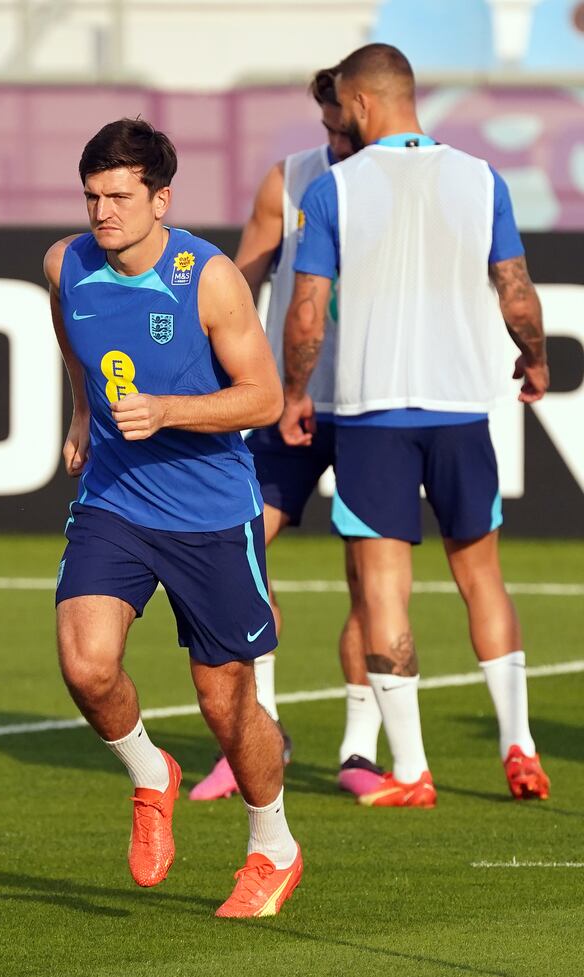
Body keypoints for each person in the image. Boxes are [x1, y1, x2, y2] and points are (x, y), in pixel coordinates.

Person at [280, 44, 551, 807]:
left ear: (361, 103)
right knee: (482, 577)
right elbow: (517, 292)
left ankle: (410, 768)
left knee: (383, 589)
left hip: (373, 411)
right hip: (462, 405)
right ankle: (519, 745)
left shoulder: (336, 188)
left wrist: (297, 391)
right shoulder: (480, 177)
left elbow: (306, 313)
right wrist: (533, 359)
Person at [44, 118, 303, 915]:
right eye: (92, 196)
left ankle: (272, 844)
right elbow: (72, 337)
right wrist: (86, 413)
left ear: (162, 198)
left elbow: (264, 397)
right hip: (116, 502)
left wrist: (169, 409)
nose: (102, 212)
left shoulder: (209, 277)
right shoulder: (65, 264)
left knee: (226, 705)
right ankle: (151, 773)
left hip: (211, 515)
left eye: (119, 196)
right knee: (86, 664)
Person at [190, 65, 385, 803]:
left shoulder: (398, 184)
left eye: (346, 128)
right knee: (242, 547)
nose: (335, 141)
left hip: (372, 407)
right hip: (284, 407)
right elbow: (239, 280)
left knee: (371, 577)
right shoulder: (290, 180)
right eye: (328, 128)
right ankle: (260, 729)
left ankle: (360, 747)